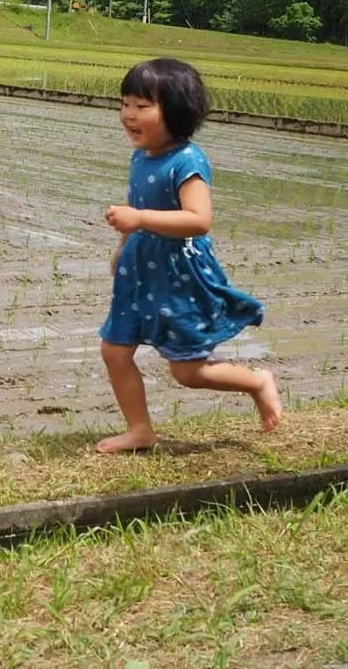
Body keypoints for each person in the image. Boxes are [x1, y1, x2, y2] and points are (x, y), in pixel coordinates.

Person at [98, 58, 282, 454]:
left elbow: (200, 220)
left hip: (177, 276)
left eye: (142, 106)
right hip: (138, 271)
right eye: (125, 103)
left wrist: (141, 218)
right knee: (114, 349)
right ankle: (140, 430)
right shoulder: (141, 157)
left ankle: (257, 382)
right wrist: (122, 248)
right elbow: (135, 215)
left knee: (188, 371)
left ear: (176, 112)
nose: (129, 115)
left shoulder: (188, 161)